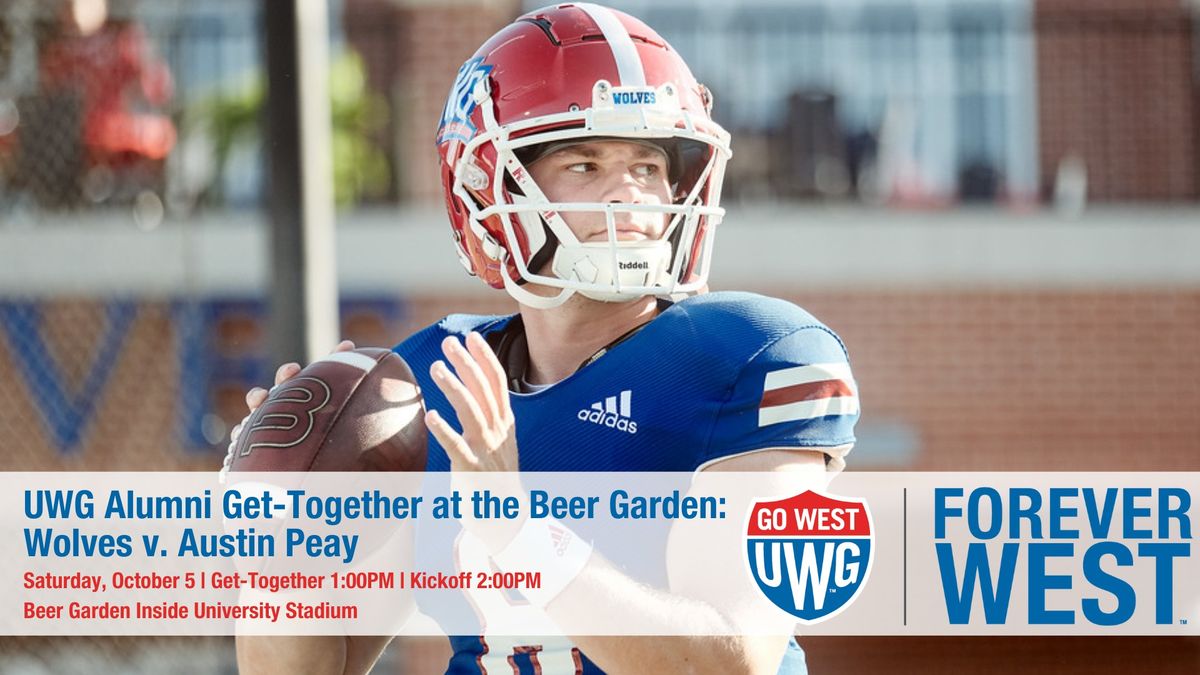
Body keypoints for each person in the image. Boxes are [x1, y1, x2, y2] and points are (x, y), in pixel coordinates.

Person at [235, 4, 858, 674]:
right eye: (586, 165)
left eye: (648, 166)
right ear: (491, 185)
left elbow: (734, 658)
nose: (630, 197)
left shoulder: (753, 357)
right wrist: (282, 549)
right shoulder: (428, 381)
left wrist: (519, 533)